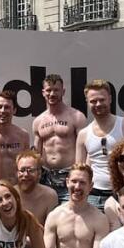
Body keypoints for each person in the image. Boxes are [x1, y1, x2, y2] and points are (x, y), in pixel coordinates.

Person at [76, 79, 124, 211]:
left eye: (102, 100)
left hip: (123, 193)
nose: (98, 104)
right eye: (93, 101)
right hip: (93, 195)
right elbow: (79, 170)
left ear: (110, 99)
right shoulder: (83, 134)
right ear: (87, 103)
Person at [33, 74, 87, 203]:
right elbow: (36, 154)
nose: (52, 94)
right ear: (43, 92)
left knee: (70, 217)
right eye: (48, 90)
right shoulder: (38, 121)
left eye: (56, 90)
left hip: (69, 176)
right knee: (46, 218)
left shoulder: (77, 117)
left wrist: (79, 175)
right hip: (46, 178)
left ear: (63, 91)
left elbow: (85, 149)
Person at [0, 91, 30, 186]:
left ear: (14, 110)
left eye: (7, 107)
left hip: (16, 187)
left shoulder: (23, 135)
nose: (2, 111)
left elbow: (28, 164)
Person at [14, 149, 59, 227]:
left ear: (39, 173)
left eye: (30, 170)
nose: (25, 174)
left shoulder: (50, 196)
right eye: (22, 170)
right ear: (17, 172)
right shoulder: (10, 194)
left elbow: (52, 228)